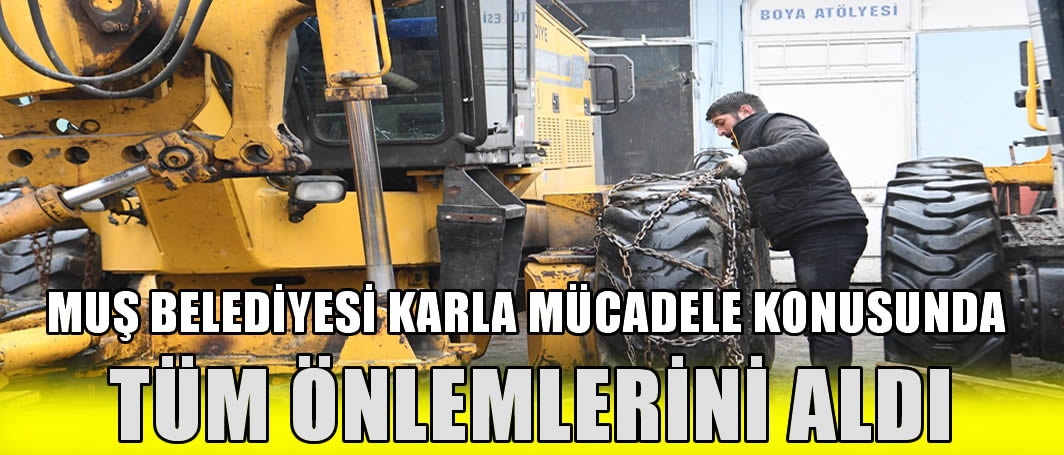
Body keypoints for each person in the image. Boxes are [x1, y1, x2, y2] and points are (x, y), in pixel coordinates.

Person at [705, 91, 869, 371]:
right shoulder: (755, 142)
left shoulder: (772, 124)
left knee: (825, 317)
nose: (720, 132)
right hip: (816, 232)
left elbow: (810, 143)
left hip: (828, 230)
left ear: (745, 111)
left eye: (721, 123)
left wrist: (746, 160)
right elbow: (778, 196)